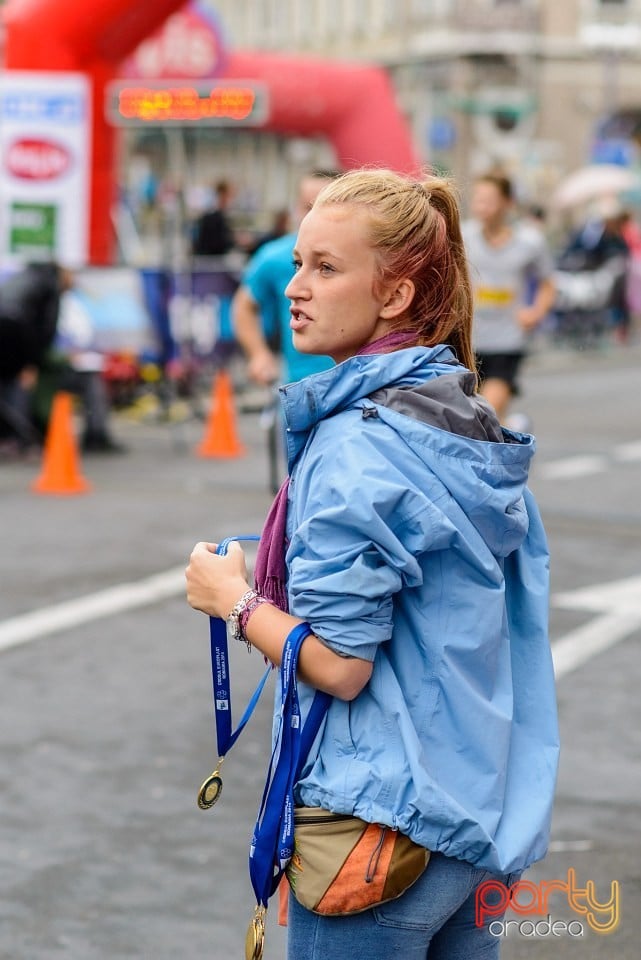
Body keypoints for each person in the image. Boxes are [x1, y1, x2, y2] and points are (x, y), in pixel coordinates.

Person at [185, 168, 559, 959]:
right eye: (295, 262)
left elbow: (340, 665)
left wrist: (233, 600)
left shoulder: (355, 445)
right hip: (477, 816)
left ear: (392, 297)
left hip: (377, 826)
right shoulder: (464, 416)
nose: (295, 288)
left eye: (326, 268)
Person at [0, 261, 125, 454]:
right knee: (21, 384)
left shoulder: (25, 277)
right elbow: (45, 329)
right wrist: (32, 363)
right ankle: (21, 437)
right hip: (15, 333)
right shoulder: (50, 284)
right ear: (64, 275)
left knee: (9, 385)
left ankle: (11, 437)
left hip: (8, 332)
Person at [462, 173, 556, 424]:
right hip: (468, 340)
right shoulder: (462, 236)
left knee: (486, 412)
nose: (482, 206)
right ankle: (513, 428)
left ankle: (508, 429)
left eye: (489, 200)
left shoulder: (530, 243)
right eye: (478, 200)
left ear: (507, 203)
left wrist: (536, 311)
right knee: (477, 418)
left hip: (507, 340)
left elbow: (548, 283)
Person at [231, 170, 340, 385]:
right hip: (299, 384)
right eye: (307, 207)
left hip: (354, 381)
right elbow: (243, 305)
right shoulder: (275, 256)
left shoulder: (359, 254)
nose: (313, 216)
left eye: (323, 206)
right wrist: (258, 354)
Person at [191, 179, 236, 257]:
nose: (231, 199)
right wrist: (235, 241)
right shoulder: (213, 217)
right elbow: (218, 243)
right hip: (209, 261)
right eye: (229, 195)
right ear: (223, 195)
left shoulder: (220, 216)